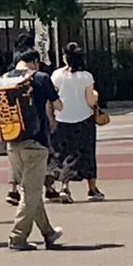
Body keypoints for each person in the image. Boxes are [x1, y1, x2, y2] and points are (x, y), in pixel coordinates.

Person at [1, 47, 64, 252]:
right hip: (36, 144)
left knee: (31, 190)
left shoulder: (5, 79)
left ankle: (48, 232)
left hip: (12, 142)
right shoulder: (41, 78)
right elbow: (58, 105)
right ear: (34, 61)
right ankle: (17, 237)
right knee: (30, 192)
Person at [49, 44, 103, 202]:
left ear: (66, 57)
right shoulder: (86, 76)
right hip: (84, 120)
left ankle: (65, 187)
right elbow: (90, 101)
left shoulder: (57, 75)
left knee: (64, 154)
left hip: (62, 119)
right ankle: (92, 189)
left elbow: (52, 98)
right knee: (87, 154)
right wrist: (96, 95)